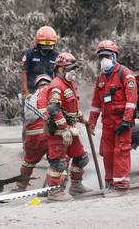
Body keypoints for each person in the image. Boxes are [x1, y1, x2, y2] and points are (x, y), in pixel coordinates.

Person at [88, 40, 137, 194]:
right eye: (101, 57)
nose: (104, 60)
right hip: (107, 122)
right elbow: (96, 102)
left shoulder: (125, 73)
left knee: (121, 152)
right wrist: (92, 122)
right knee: (107, 152)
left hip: (121, 121)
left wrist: (127, 120)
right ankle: (110, 184)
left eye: (107, 56)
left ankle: (122, 187)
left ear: (114, 56)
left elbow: (132, 100)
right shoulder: (101, 78)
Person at [45, 53, 91, 201]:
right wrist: (64, 128)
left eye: (74, 68)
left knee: (81, 158)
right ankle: (54, 192)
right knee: (58, 163)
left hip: (71, 131)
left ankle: (76, 186)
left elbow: (71, 107)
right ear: (60, 70)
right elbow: (53, 109)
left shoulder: (69, 85)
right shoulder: (56, 86)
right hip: (59, 132)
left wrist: (82, 118)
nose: (74, 71)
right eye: (70, 68)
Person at [20, 26, 59, 144]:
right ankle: (26, 146)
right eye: (44, 45)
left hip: (49, 92)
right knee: (29, 119)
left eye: (49, 45)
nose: (47, 48)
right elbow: (23, 73)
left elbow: (58, 76)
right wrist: (25, 92)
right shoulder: (30, 54)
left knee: (50, 118)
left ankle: (48, 146)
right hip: (32, 91)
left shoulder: (56, 56)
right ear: (38, 43)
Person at [14, 74, 52, 191]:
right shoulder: (52, 91)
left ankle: (21, 186)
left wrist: (25, 143)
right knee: (58, 160)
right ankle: (53, 188)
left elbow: (25, 124)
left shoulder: (30, 98)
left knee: (28, 161)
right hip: (47, 132)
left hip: (31, 135)